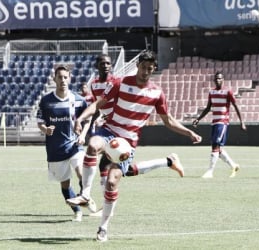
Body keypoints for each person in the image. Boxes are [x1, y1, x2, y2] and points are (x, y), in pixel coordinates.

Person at [66, 50, 202, 242]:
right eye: (143, 67)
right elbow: (98, 104)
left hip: (128, 142)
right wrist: (81, 118)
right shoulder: (120, 83)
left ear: (154, 69)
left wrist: (189, 132)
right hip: (110, 130)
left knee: (112, 182)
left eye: (150, 68)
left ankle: (103, 227)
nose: (146, 71)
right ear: (137, 66)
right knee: (93, 144)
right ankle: (85, 194)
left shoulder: (156, 93)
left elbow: (168, 120)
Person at [67, 54, 122, 217]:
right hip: (107, 127)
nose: (106, 65)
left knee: (113, 167)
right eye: (102, 63)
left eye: (108, 63)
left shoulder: (116, 82)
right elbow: (97, 107)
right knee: (104, 166)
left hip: (119, 127)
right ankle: (98, 203)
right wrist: (88, 125)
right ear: (96, 66)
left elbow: (120, 103)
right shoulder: (95, 85)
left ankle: (90, 197)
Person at [37, 64, 92, 222]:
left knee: (82, 172)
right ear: (54, 79)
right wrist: (45, 129)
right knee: (65, 185)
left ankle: (85, 197)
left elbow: (87, 119)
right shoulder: (46, 101)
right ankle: (77, 211)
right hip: (55, 150)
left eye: (65, 77)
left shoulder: (78, 100)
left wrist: (82, 135)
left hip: (74, 145)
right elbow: (40, 122)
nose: (62, 80)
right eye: (59, 77)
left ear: (70, 78)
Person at [192, 71, 246, 178]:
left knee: (215, 145)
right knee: (218, 148)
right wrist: (198, 119)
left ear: (223, 80)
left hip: (223, 122)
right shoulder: (212, 92)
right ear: (214, 80)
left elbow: (236, 106)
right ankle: (233, 165)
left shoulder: (228, 92)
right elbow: (208, 108)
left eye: (220, 78)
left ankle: (210, 172)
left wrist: (242, 122)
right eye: (216, 79)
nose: (218, 80)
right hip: (214, 123)